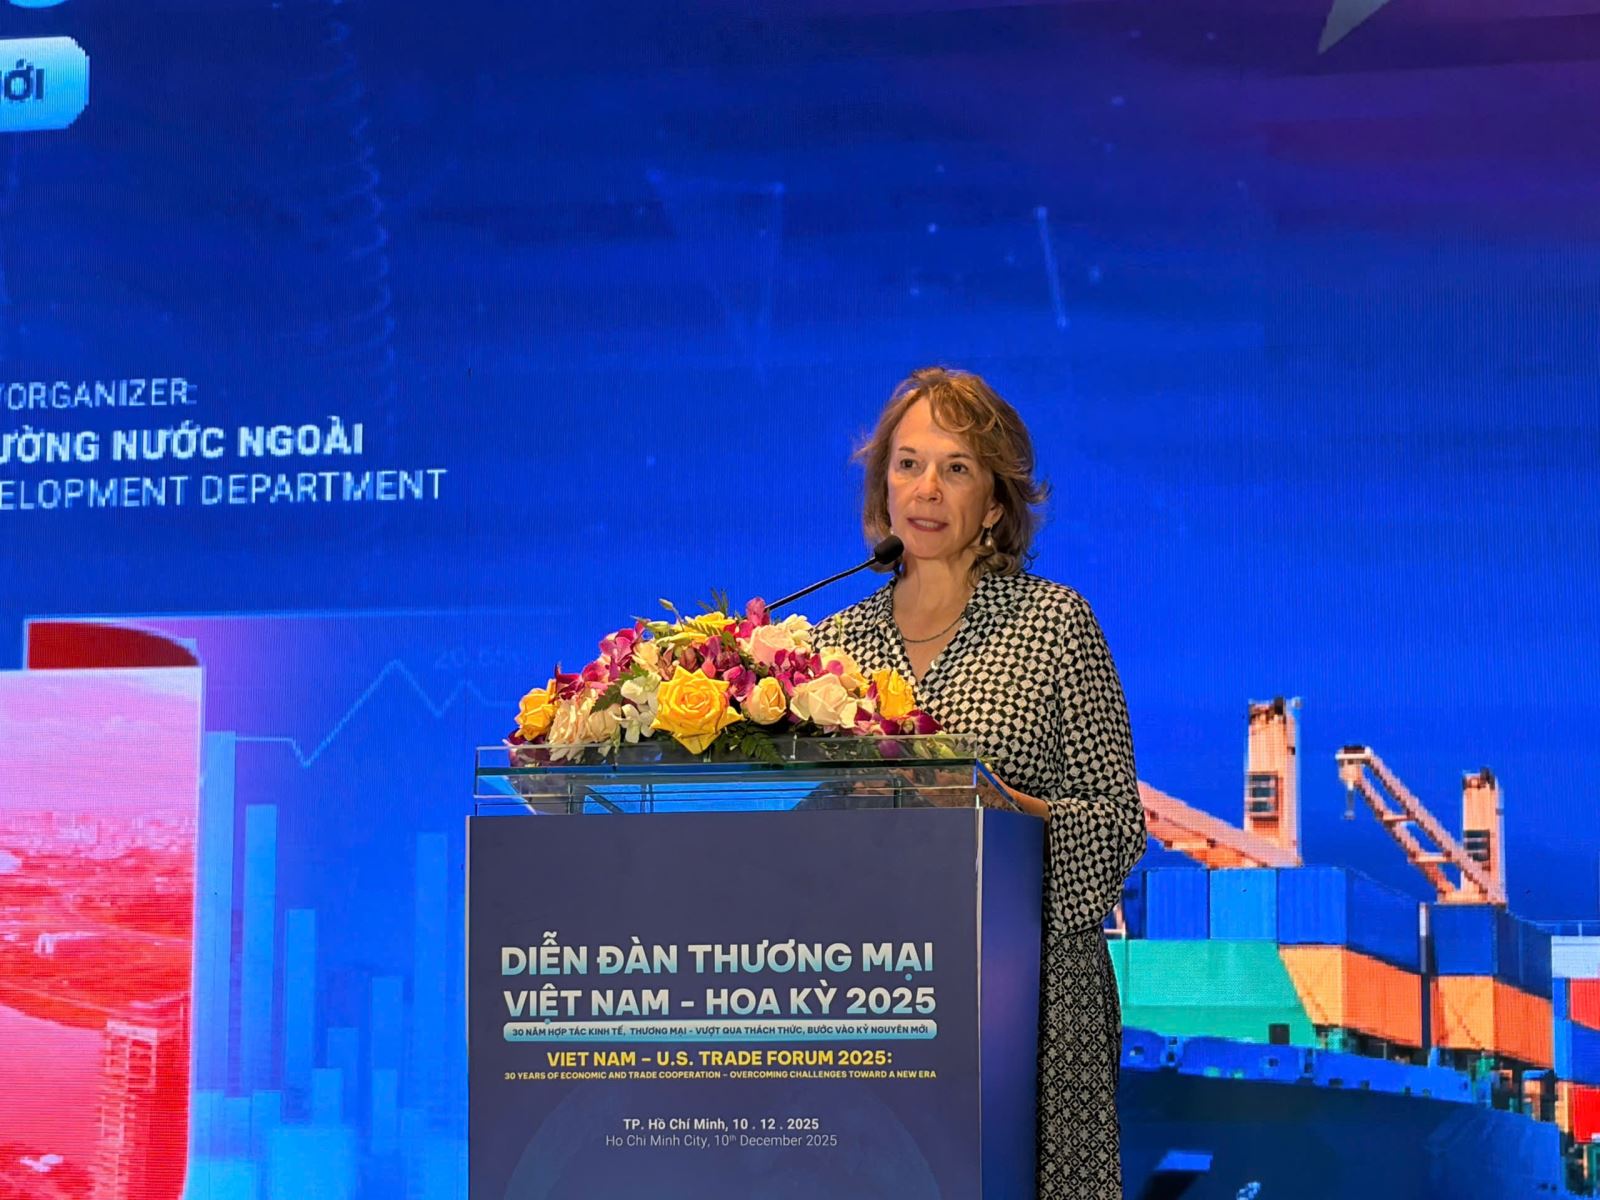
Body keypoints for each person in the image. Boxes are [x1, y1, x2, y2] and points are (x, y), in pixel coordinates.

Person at [820, 366, 1147, 1198]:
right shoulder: (828, 650)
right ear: (883, 486)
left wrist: (993, 807)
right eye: (907, 464)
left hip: (1030, 1006)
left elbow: (1115, 825)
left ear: (996, 503)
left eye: (956, 468)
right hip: (870, 1001)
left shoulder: (1055, 625)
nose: (926, 489)